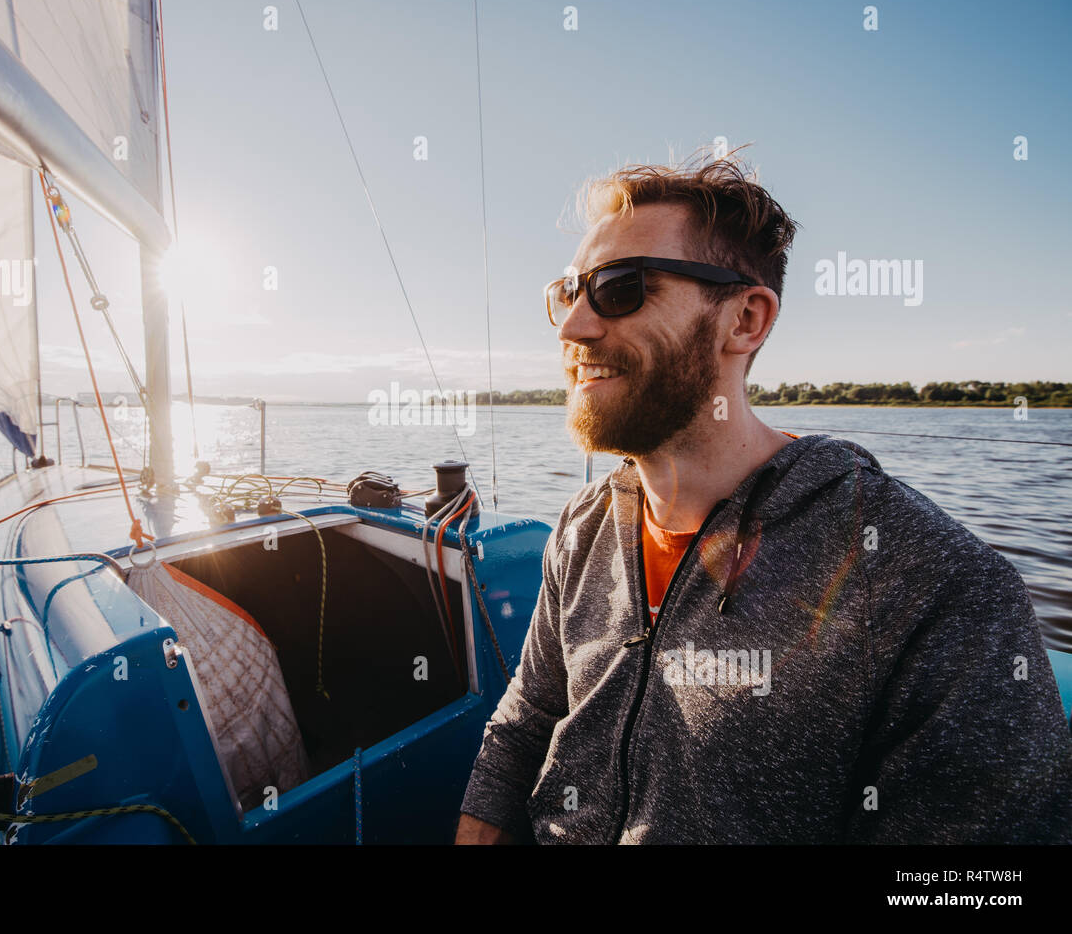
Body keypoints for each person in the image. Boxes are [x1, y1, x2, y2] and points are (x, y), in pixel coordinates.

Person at [454, 151, 1072, 844]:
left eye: (621, 288)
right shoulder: (583, 526)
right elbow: (528, 721)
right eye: (568, 292)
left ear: (745, 319)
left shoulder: (933, 585)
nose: (574, 328)